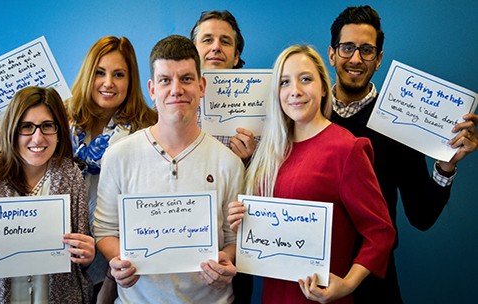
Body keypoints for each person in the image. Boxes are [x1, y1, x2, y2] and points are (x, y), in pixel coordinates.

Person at [0, 36, 158, 304]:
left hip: (116, 252)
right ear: (87, 74)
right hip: (56, 245)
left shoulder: (145, 128)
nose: (108, 83)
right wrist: (0, 137)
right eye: (100, 73)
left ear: (131, 81)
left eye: (119, 74)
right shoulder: (61, 118)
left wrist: (110, 279)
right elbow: (25, 174)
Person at [327, 6, 478, 303]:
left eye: (367, 50)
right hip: (312, 272)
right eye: (347, 48)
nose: (356, 59)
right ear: (332, 54)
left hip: (374, 281)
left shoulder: (398, 121)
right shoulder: (305, 115)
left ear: (379, 59)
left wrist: (446, 166)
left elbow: (421, 216)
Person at [228, 45, 396, 304]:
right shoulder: (271, 151)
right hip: (273, 297)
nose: (294, 90)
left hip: (321, 298)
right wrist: (243, 220)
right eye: (285, 82)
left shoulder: (347, 148)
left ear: (323, 86)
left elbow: (381, 231)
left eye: (305, 79)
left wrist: (348, 284)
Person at [93, 35, 244, 303]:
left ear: (201, 85)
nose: (176, 89)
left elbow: (234, 238)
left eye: (186, 79)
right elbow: (105, 231)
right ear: (152, 89)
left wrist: (226, 260)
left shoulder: (228, 162)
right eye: (165, 80)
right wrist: (118, 261)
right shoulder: (118, 156)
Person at [0, 86, 95, 303]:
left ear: (59, 131)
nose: (38, 138)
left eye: (48, 126)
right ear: (12, 129)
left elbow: (79, 261)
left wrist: (87, 256)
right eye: (26, 127)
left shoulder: (70, 174)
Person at [190, 10, 258, 163]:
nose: (216, 47)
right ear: (193, 51)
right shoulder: (170, 103)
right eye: (207, 40)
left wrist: (251, 159)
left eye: (225, 41)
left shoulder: (263, 108)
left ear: (236, 57)